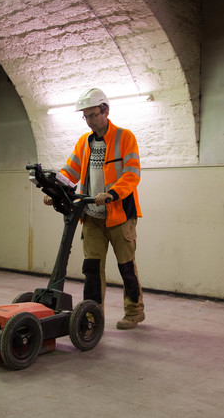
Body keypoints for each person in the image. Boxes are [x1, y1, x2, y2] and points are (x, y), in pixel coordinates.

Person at [44, 88, 145, 329]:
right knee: (91, 269)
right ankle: (92, 315)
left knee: (126, 267)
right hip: (90, 216)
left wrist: (112, 193)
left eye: (92, 115)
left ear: (105, 111)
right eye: (85, 117)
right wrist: (54, 190)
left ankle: (134, 312)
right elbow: (70, 171)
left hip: (120, 215)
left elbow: (132, 174)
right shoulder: (84, 142)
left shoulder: (124, 137)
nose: (89, 121)